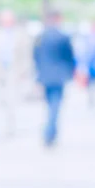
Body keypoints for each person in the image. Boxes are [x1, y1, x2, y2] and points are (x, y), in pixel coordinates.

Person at [33, 10, 76, 146]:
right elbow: (69, 57)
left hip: (45, 76)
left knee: (50, 104)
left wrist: (39, 74)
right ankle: (50, 132)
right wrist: (71, 72)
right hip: (59, 76)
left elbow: (35, 56)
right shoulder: (63, 37)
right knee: (55, 105)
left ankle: (50, 130)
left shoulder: (41, 36)